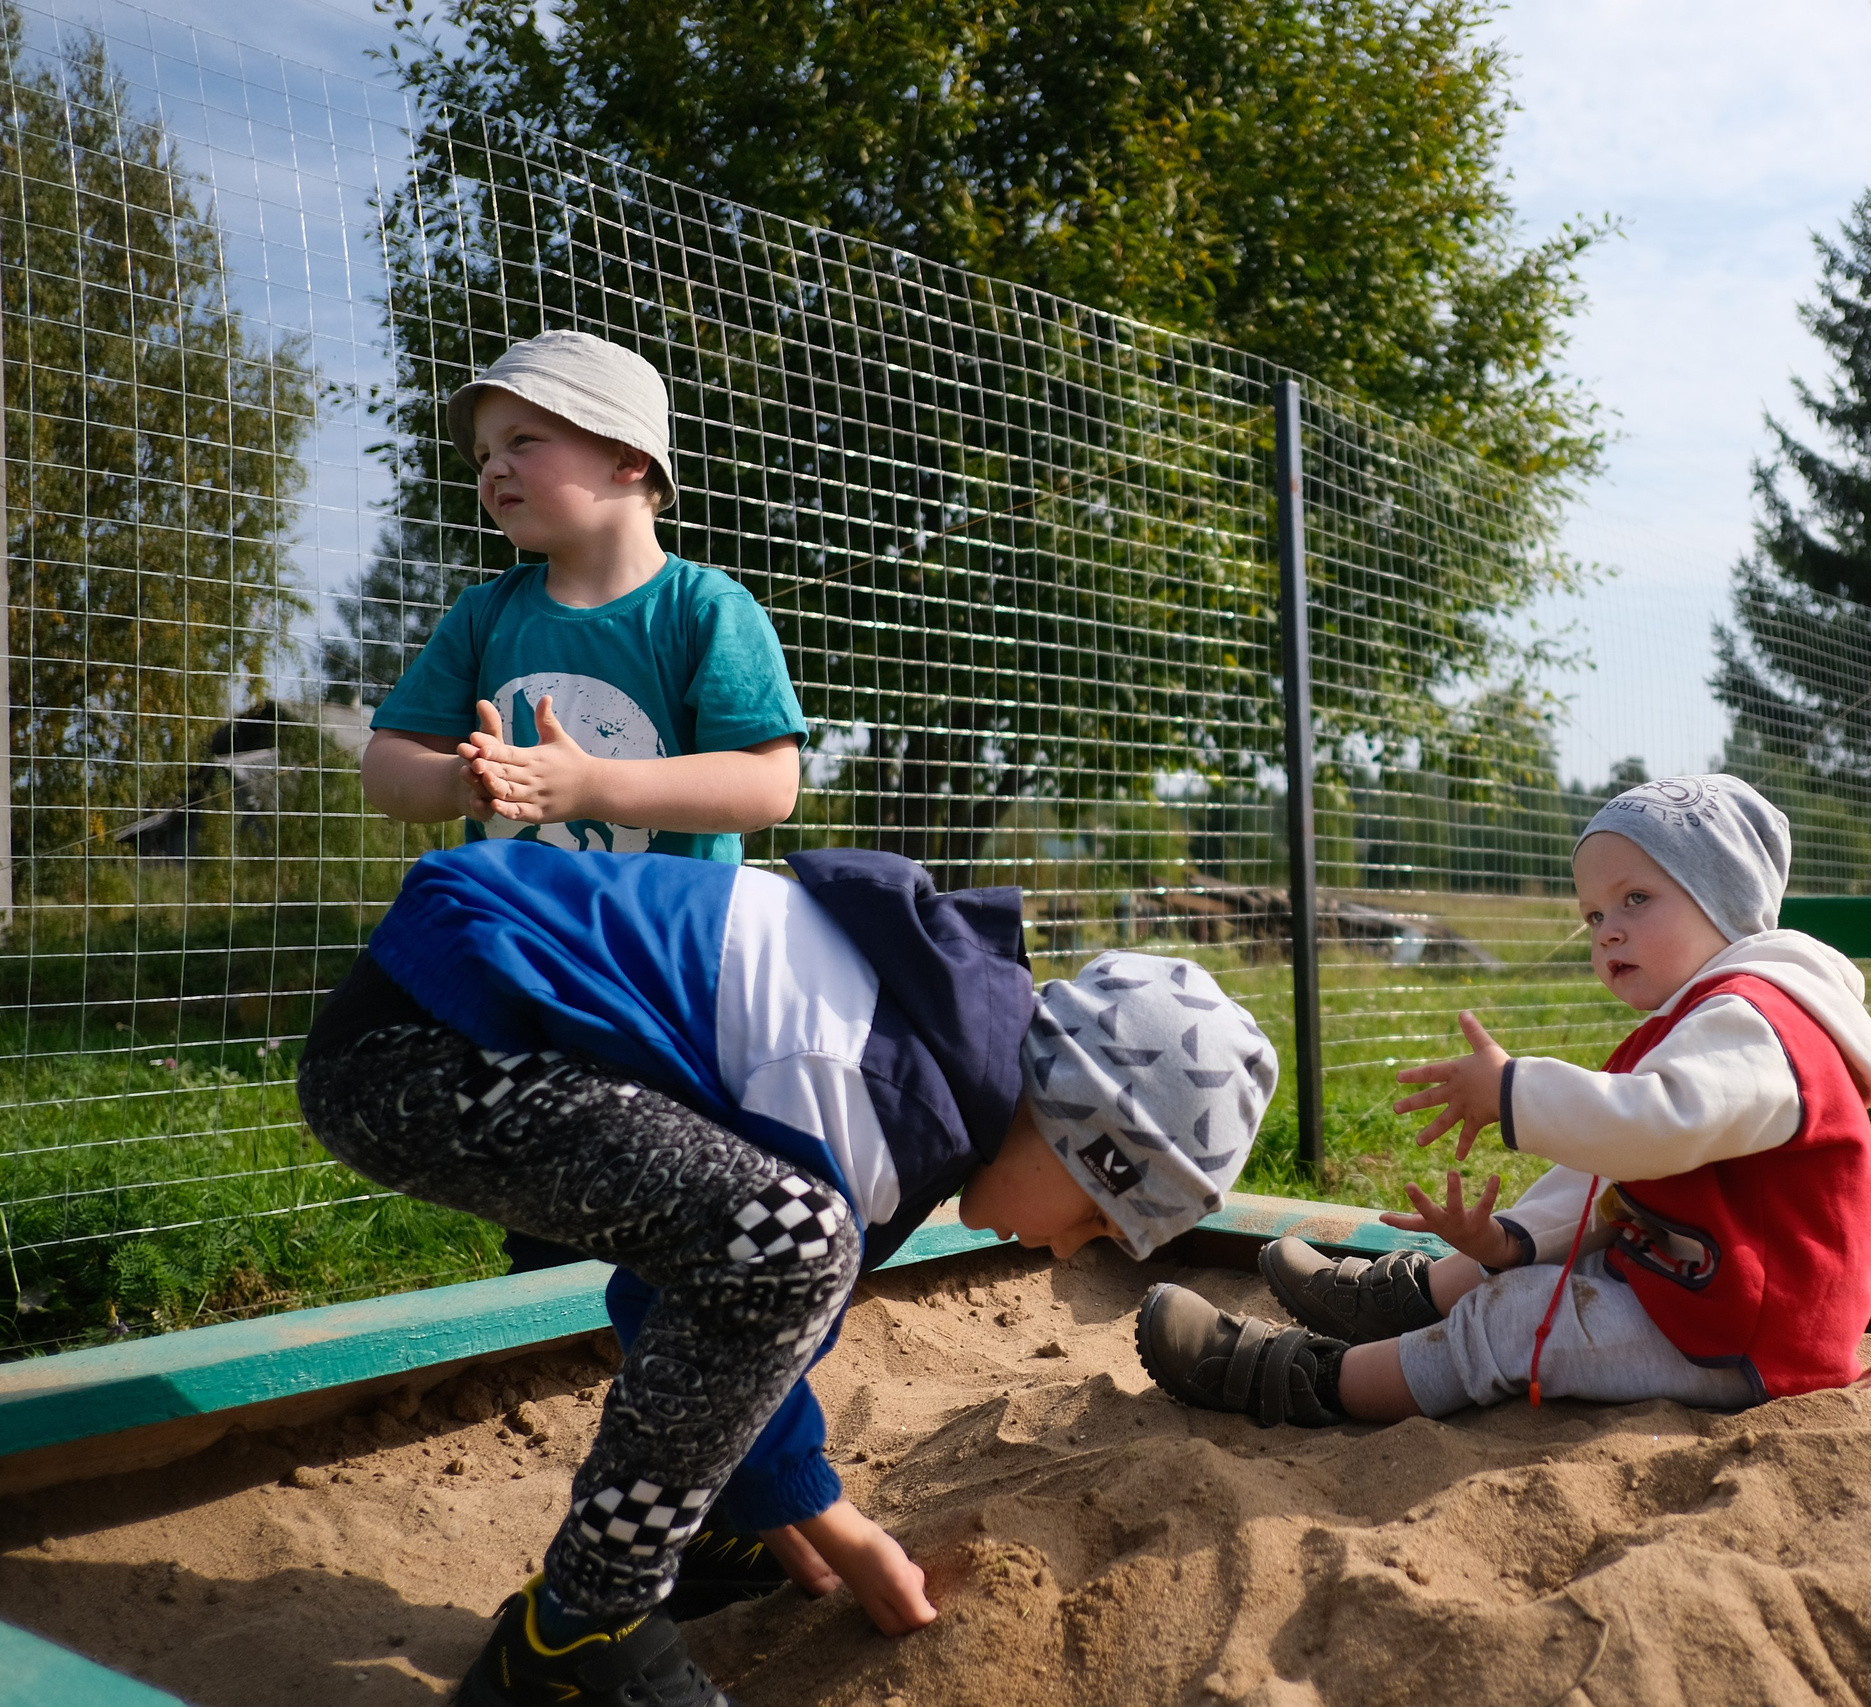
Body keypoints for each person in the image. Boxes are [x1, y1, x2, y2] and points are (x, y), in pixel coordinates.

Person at [298, 838, 1274, 1707]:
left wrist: (764, 1493)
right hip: (431, 1042)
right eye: (1098, 1221)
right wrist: (827, 1513)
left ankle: (706, 1518)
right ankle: (583, 1629)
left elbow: (697, 1288)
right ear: (1075, 1136)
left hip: (463, 1028)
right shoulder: (870, 1080)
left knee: (783, 1246)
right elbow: (752, 1271)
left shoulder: (933, 1066)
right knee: (796, 1243)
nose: (1070, 1250)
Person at [1134, 773, 1871, 1428]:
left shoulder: (1763, 1024)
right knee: (1525, 1275)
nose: (1608, 931)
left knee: (1517, 1319)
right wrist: (1507, 1239)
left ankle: (1309, 1378)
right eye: (1594, 915)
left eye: (1636, 897)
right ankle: (1407, 1299)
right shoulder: (1717, 1014)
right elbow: (1608, 1175)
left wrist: (1514, 1088)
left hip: (1757, 1334)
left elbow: (1655, 1127)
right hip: (1703, 1282)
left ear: (1725, 901)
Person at [361, 329, 808, 1276]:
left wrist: (592, 783)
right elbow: (385, 763)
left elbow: (768, 784)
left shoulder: (704, 610)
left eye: (525, 440)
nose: (494, 469)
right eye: (485, 453)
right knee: (554, 1192)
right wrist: (453, 782)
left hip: (669, 976)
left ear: (628, 455)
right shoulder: (484, 615)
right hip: (527, 960)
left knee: (677, 1181)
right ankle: (551, 1355)